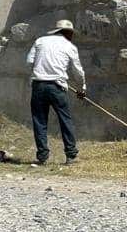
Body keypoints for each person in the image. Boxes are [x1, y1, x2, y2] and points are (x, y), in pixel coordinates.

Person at [26, 18, 86, 165]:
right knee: (65, 120)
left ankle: (42, 157)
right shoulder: (69, 46)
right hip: (57, 87)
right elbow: (78, 71)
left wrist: (36, 74)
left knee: (40, 121)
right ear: (67, 33)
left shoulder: (40, 41)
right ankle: (71, 155)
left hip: (38, 86)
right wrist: (81, 88)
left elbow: (29, 61)